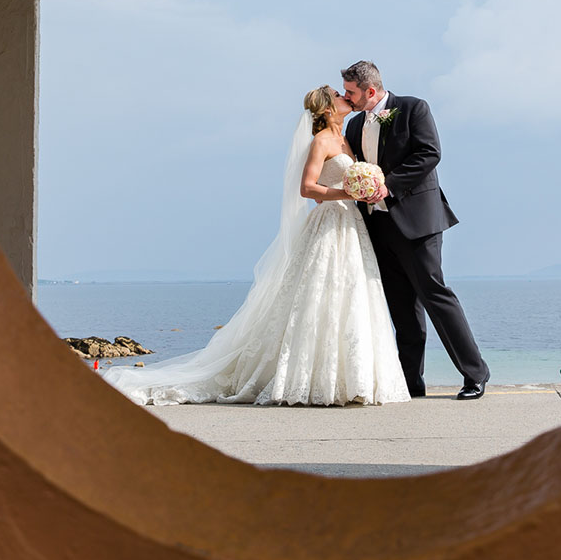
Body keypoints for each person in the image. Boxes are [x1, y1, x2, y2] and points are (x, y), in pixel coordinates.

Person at [99, 85, 409, 407]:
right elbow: (307, 188)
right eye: (338, 94)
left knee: (351, 294)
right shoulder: (321, 141)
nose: (345, 96)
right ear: (328, 109)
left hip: (351, 225)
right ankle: (312, 379)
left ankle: (349, 379)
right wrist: (349, 193)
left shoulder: (347, 137)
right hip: (329, 222)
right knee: (321, 295)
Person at [341, 60, 491, 400]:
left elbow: (429, 153)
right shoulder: (353, 127)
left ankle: (475, 375)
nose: (348, 99)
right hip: (376, 226)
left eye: (351, 93)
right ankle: (411, 382)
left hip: (417, 221)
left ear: (370, 90)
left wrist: (387, 185)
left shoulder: (412, 109)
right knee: (401, 307)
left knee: (435, 295)